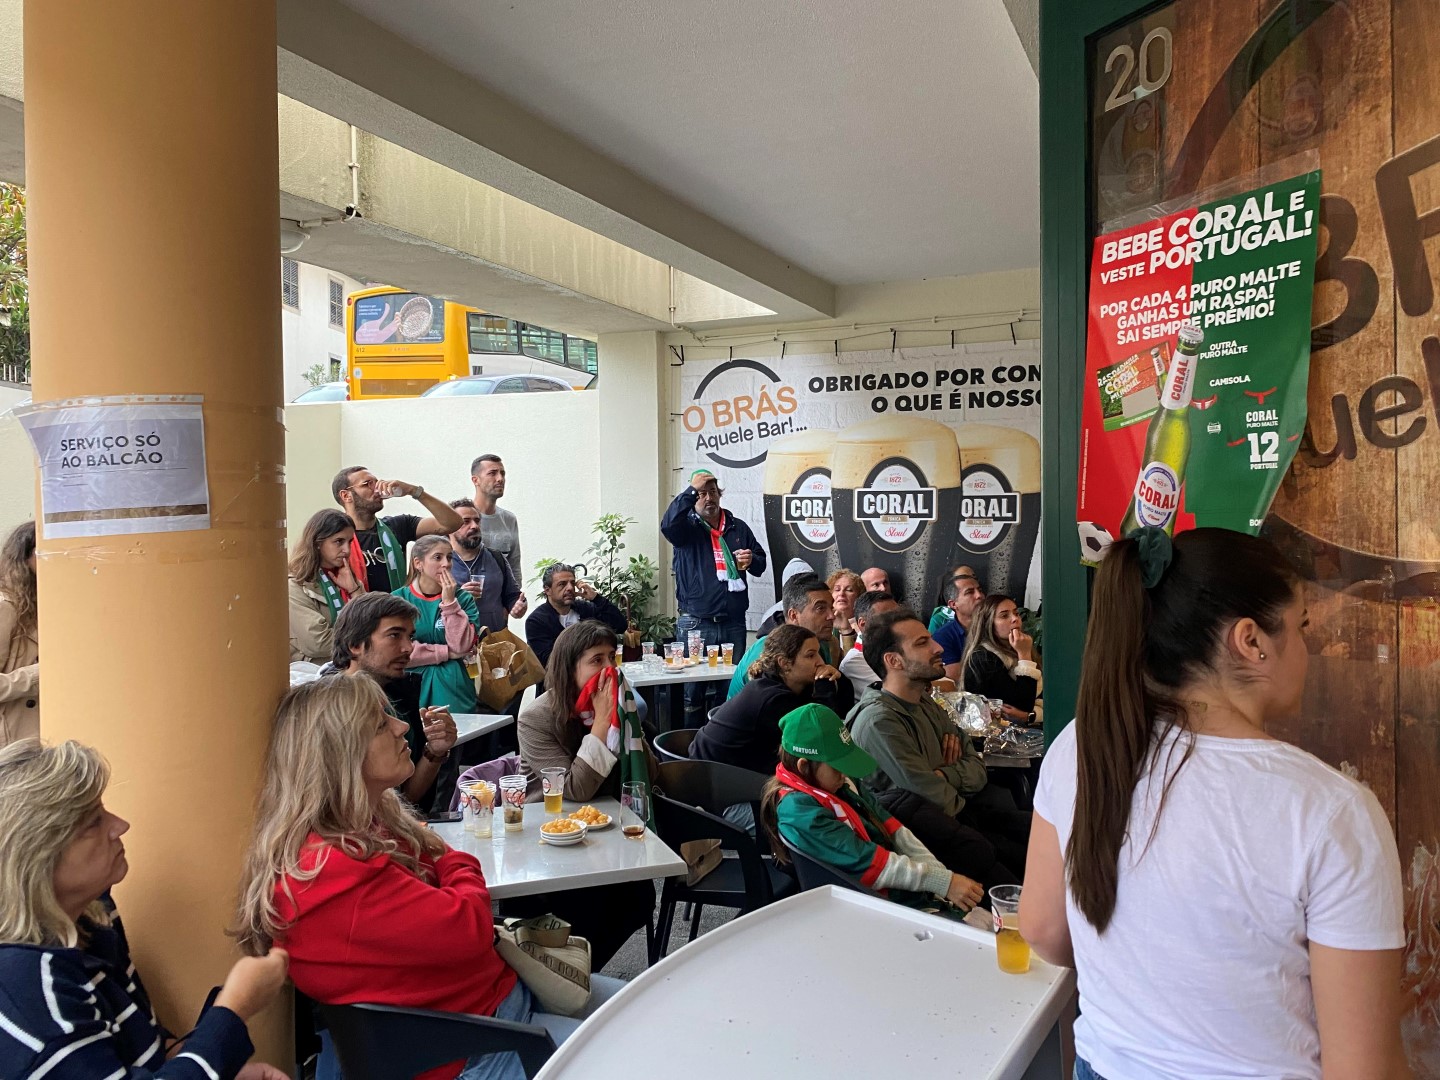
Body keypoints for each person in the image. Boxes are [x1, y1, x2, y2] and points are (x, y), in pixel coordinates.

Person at [1020, 527, 1407, 1080]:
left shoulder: (1081, 746)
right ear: (1251, 640)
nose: (1308, 647)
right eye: (1301, 628)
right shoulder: (1329, 812)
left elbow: (1045, 931)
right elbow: (1367, 1070)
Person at [234, 678, 622, 1080]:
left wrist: (438, 856)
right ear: (340, 755)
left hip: (497, 1009)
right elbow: (470, 923)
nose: (401, 726)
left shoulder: (361, 830)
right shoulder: (331, 870)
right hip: (479, 1047)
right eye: (380, 724)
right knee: (641, 1041)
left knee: (644, 1004)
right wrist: (450, 858)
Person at [0, 739, 290, 1080]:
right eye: (94, 822)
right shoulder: (27, 988)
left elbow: (128, 1053)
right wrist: (234, 1009)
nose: (120, 825)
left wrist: (208, 1065)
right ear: (35, 856)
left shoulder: (94, 919)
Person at [515, 621, 657, 967]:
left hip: (604, 836)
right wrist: (600, 724)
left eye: (612, 657)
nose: (609, 670)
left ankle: (579, 972)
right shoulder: (537, 718)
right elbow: (573, 792)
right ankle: (566, 976)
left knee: (639, 898)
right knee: (581, 907)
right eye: (596, 660)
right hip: (546, 841)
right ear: (569, 668)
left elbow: (649, 777)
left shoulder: (618, 708)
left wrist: (629, 725)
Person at [848, 608, 1029, 881]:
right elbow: (932, 799)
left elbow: (976, 765)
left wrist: (945, 772)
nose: (938, 647)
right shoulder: (879, 722)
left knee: (1051, 837)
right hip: (933, 842)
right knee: (1027, 880)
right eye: (922, 643)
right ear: (893, 660)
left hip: (965, 818)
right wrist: (955, 773)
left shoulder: (923, 701)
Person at [759, 703, 983, 916]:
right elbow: (872, 864)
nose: (844, 774)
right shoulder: (799, 813)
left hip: (898, 891)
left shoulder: (838, 784)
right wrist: (943, 883)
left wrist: (943, 879)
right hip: (865, 904)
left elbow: (896, 831)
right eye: (838, 768)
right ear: (804, 766)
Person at [330, 593, 459, 811]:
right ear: (354, 644)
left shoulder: (398, 693)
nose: (408, 647)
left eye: (410, 637)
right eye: (394, 636)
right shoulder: (331, 709)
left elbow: (405, 798)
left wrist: (434, 751)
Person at [660, 469, 767, 725]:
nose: (708, 498)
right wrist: (689, 491)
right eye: (701, 493)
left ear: (720, 495)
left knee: (731, 689)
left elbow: (760, 564)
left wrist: (752, 559)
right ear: (693, 498)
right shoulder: (685, 528)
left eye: (713, 492)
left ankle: (722, 742)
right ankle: (691, 747)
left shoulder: (737, 527)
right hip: (696, 622)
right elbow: (667, 526)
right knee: (691, 694)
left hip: (733, 622)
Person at [692, 625, 825, 775]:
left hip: (729, 764)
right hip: (712, 776)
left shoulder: (777, 685)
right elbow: (819, 735)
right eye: (811, 655)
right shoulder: (773, 699)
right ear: (784, 663)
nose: (820, 662)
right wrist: (825, 686)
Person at [333, 466, 463, 595]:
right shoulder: (335, 538)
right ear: (346, 495)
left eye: (377, 483)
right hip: (355, 611)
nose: (377, 489)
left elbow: (452, 523)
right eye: (368, 484)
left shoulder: (397, 525)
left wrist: (414, 491)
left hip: (397, 611)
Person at [726, 575, 847, 712]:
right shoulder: (768, 650)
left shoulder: (821, 642)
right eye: (820, 609)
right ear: (794, 615)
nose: (831, 616)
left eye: (831, 607)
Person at [395, 535, 483, 716]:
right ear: (418, 563)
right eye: (438, 557)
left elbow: (462, 646)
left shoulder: (463, 599)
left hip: (454, 688)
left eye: (449, 557)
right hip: (409, 686)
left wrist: (450, 602)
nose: (446, 564)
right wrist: (447, 653)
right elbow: (394, 652)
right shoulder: (397, 600)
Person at [288, 509, 365, 665]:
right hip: (316, 676)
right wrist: (364, 640)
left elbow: (373, 622)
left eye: (349, 542)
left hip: (349, 670)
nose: (347, 550)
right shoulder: (295, 584)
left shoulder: (350, 580)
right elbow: (319, 643)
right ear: (317, 542)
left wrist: (355, 591)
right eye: (339, 541)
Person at [526, 562, 628, 674]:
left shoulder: (586, 609)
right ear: (547, 590)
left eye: (572, 583)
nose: (570, 588)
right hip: (558, 686)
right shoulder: (536, 621)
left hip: (595, 682)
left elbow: (620, 626)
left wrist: (596, 598)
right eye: (562, 584)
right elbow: (549, 662)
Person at [449, 498, 524, 636]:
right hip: (455, 646)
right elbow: (427, 607)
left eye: (477, 521)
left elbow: (512, 595)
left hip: (494, 644)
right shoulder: (441, 561)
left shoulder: (496, 558)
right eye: (466, 521)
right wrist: (458, 598)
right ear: (449, 527)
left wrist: (518, 606)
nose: (474, 526)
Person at [960, 593, 1040, 723]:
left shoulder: (1017, 648)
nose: (1015, 619)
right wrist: (1025, 657)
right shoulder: (982, 658)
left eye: (1016, 613)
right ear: (988, 624)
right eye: (1004, 616)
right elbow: (1023, 705)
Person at [469, 455, 527, 616]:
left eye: (502, 473)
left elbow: (514, 564)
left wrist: (511, 603)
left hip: (497, 613)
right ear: (476, 480)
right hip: (464, 609)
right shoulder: (460, 517)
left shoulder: (509, 519)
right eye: (492, 473)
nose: (500, 479)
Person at [0, 522, 38, 747]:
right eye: (40, 551)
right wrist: (36, 676)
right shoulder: (6, 607)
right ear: (23, 557)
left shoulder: (49, 602)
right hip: (13, 738)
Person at [839, 590, 901, 698]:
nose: (897, 623)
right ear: (863, 624)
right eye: (887, 618)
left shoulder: (899, 647)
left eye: (899, 617)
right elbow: (898, 694)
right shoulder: (854, 662)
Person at [935, 573, 985, 684]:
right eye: (969, 592)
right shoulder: (943, 636)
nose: (979, 596)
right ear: (953, 604)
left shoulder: (996, 627)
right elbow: (959, 676)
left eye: (980, 590)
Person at [927, 563, 977, 634]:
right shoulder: (940, 618)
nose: (970, 581)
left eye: (974, 577)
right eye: (962, 577)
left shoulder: (988, 612)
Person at [827, 569, 864, 654]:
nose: (841, 593)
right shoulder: (823, 624)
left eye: (849, 590)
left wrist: (846, 630)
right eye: (837, 589)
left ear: (858, 597)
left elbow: (853, 663)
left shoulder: (863, 625)